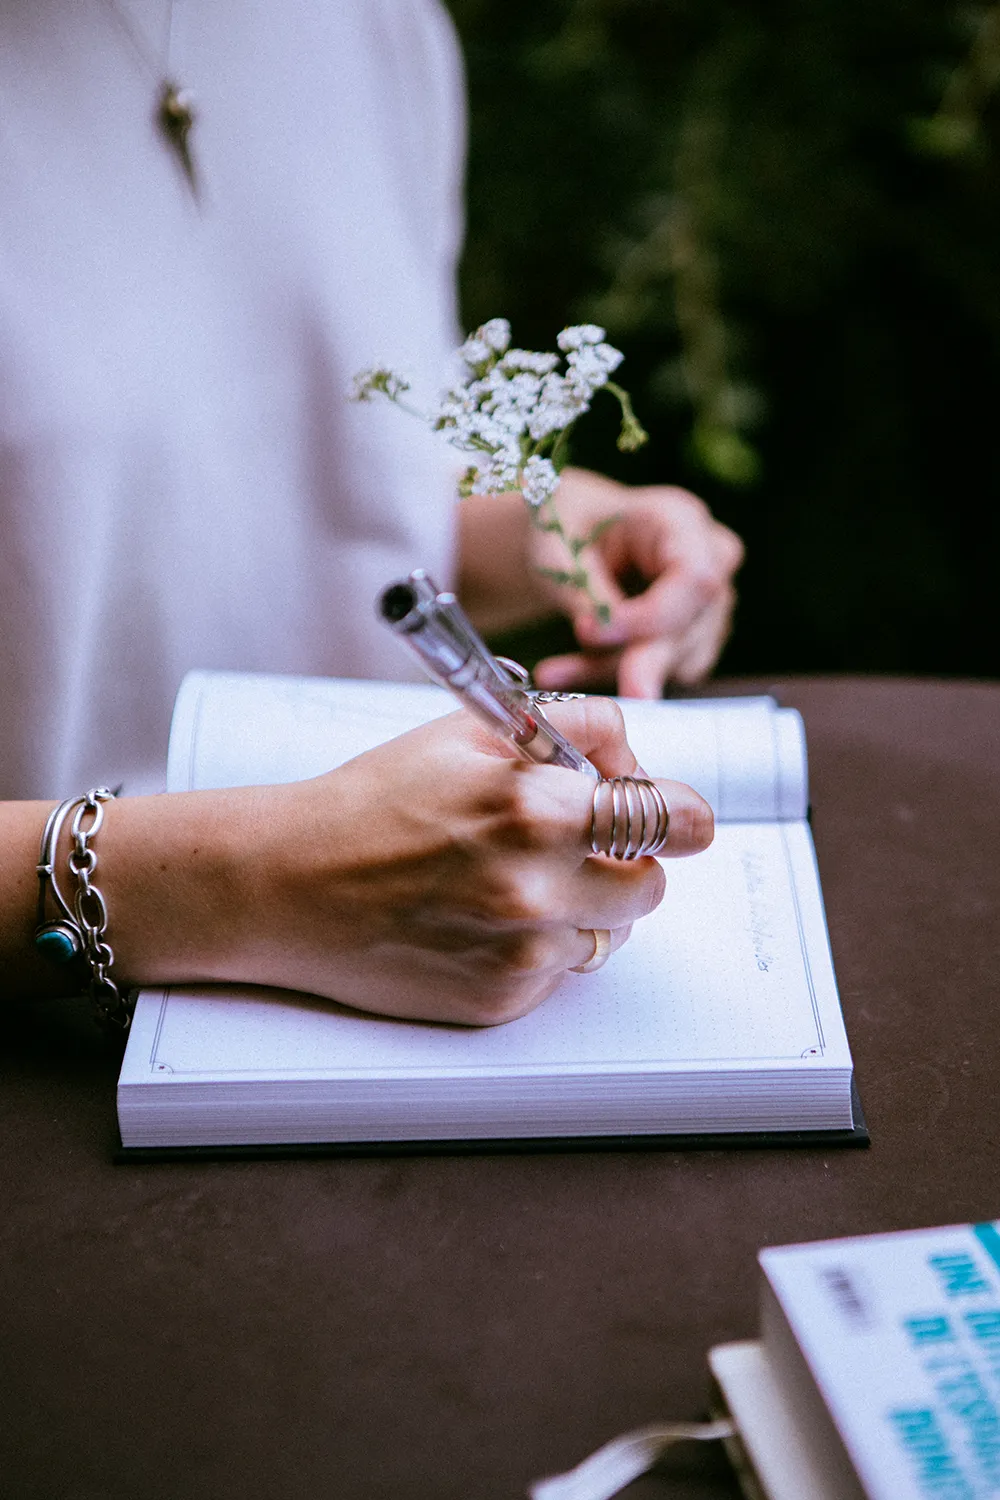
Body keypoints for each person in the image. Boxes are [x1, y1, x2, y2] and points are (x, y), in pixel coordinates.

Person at [0, 0, 739, 1022]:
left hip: (442, 952)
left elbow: (316, 499)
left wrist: (549, 532)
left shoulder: (368, 24)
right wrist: (252, 877)